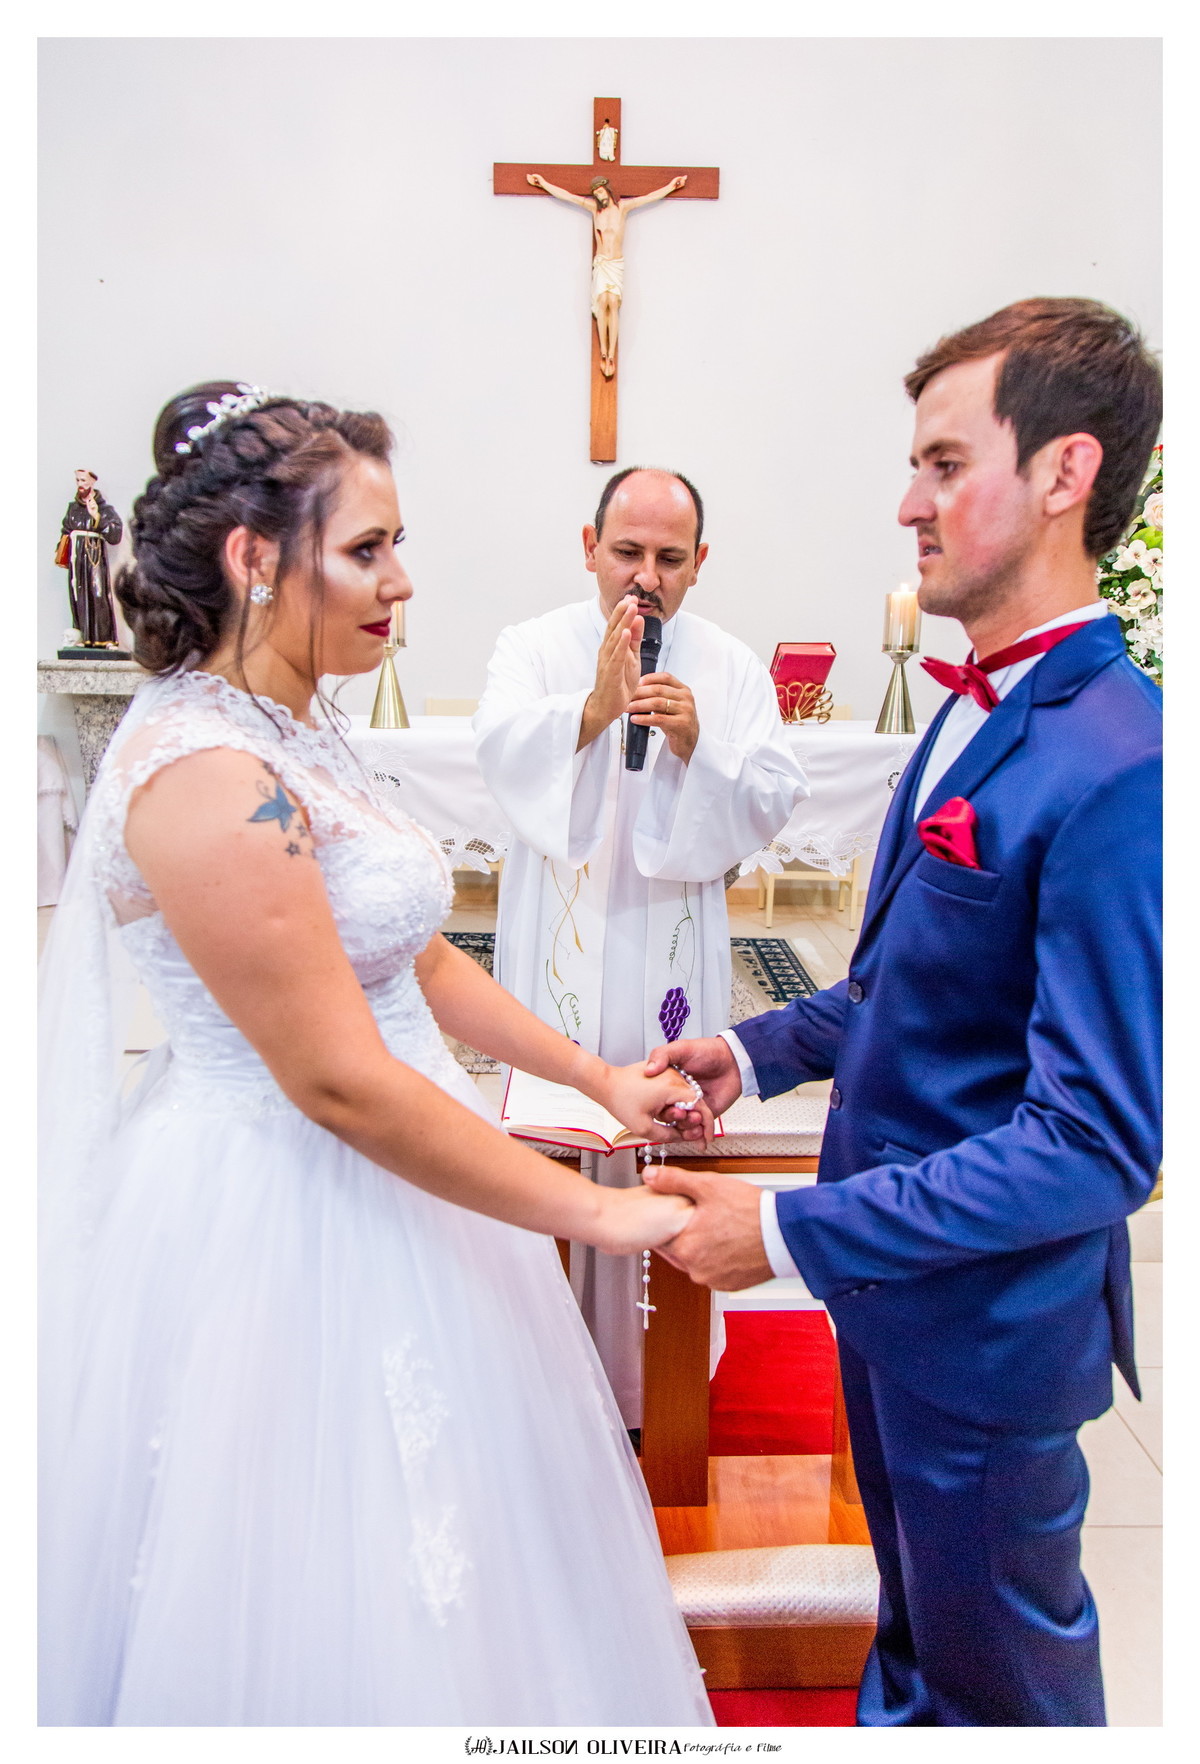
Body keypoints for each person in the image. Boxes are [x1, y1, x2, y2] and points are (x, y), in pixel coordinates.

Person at [38, 383, 714, 1727]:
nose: (402, 580)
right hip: (285, 1214)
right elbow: (336, 1079)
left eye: (397, 544)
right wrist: (597, 1213)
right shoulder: (205, 773)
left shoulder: (295, 724)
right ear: (254, 559)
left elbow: (410, 952)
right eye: (365, 549)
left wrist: (592, 1079)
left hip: (411, 1183)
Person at [645, 298, 1163, 1727]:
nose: (907, 505)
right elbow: (908, 985)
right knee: (922, 1653)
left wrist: (785, 1233)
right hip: (904, 1302)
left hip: (990, 1335)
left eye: (944, 465)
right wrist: (751, 1049)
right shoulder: (967, 711)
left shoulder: (1122, 761)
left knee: (1005, 1695)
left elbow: (1095, 1144)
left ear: (1063, 474)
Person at [473, 467, 808, 1426]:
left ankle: (653, 1370)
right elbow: (500, 751)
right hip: (559, 935)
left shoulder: (731, 667)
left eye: (669, 557)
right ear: (591, 547)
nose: (645, 577)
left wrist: (701, 744)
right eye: (627, 552)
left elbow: (774, 793)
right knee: (556, 1129)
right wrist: (592, 709)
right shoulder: (532, 646)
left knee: (661, 1116)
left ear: (700, 562)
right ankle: (541, 1356)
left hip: (670, 949)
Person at [525, 173, 687, 375]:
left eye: (600, 191)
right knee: (602, 303)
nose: (598, 196)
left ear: (607, 190)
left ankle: (611, 354)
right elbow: (568, 196)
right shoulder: (594, 209)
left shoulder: (622, 208)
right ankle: (603, 351)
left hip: (615, 263)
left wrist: (671, 187)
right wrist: (543, 183)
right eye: (595, 193)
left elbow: (649, 197)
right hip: (602, 263)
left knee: (613, 303)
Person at [56, 467, 124, 646]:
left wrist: (97, 517)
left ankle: (103, 639)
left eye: (83, 480)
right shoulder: (73, 508)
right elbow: (66, 530)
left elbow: (115, 535)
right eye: (77, 480)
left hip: (94, 557)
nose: (80, 484)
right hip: (76, 558)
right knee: (77, 596)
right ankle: (81, 636)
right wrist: (61, 551)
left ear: (92, 482)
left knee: (97, 595)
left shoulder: (105, 509)